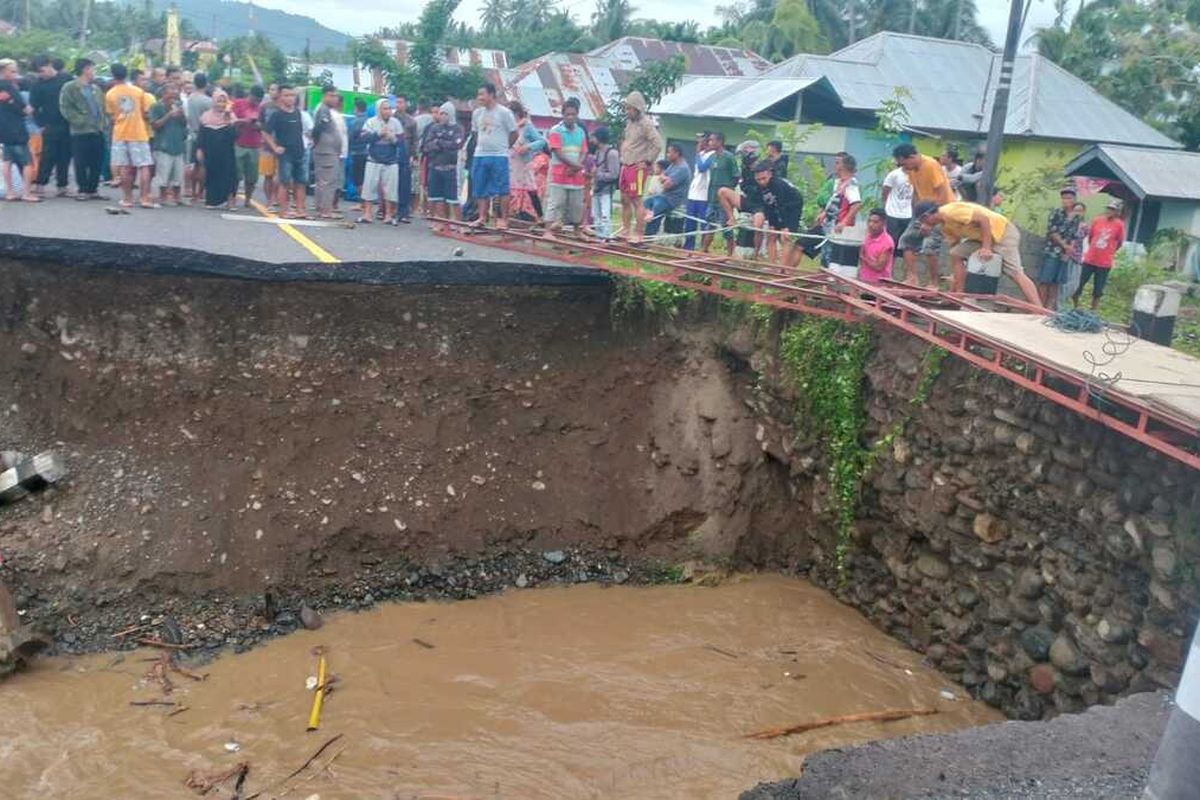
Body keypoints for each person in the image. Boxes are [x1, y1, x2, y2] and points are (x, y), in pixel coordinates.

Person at [912, 199, 1041, 306]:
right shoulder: (945, 226)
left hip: (1002, 232)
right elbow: (955, 247)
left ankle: (1039, 308)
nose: (923, 225)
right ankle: (959, 294)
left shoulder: (951, 212)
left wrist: (986, 247)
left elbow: (983, 219)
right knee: (955, 253)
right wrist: (954, 280)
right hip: (981, 237)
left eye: (923, 222)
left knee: (1015, 273)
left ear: (926, 216)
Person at [893, 143, 954, 288]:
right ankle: (912, 278)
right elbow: (915, 192)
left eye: (904, 163)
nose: (904, 168)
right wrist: (916, 214)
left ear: (912, 157)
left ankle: (934, 283)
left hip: (939, 211)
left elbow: (942, 194)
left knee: (929, 246)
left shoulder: (931, 165)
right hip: (922, 211)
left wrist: (930, 220)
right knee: (906, 241)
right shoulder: (911, 170)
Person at [104, 62, 156, 209]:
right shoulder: (138, 92)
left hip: (120, 133)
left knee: (125, 167)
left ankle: (127, 199)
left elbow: (111, 115)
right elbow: (145, 112)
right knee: (144, 166)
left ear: (113, 75)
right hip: (138, 132)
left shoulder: (110, 94)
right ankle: (144, 198)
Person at [469, 82, 517, 229]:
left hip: (499, 155)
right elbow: (475, 133)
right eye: (478, 94)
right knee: (480, 187)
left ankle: (503, 219)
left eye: (482, 94)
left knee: (502, 188)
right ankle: (482, 217)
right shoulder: (477, 113)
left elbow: (514, 133)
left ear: (491, 95)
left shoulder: (504, 112)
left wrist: (505, 147)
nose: (479, 97)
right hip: (480, 155)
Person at [617, 90, 663, 239]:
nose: (627, 112)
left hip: (637, 167)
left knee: (636, 200)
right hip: (625, 165)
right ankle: (625, 230)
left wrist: (648, 160)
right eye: (626, 108)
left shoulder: (646, 124)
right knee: (624, 199)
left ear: (637, 108)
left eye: (629, 108)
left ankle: (639, 233)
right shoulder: (629, 123)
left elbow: (657, 143)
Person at [59, 58, 106, 201]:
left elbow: (101, 108)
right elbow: (65, 107)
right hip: (80, 131)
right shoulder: (70, 87)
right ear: (85, 69)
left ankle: (93, 189)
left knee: (97, 161)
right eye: (92, 68)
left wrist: (102, 123)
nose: (94, 72)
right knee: (81, 161)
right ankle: (83, 189)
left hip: (97, 130)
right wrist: (80, 120)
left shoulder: (95, 88)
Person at [542, 97, 588, 239]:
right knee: (556, 202)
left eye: (573, 114)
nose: (570, 117)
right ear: (562, 114)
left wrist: (576, 167)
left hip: (575, 175)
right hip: (559, 173)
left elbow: (584, 151)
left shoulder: (580, 131)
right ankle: (547, 231)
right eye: (567, 114)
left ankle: (577, 231)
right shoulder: (556, 131)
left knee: (577, 204)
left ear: (577, 115)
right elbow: (558, 152)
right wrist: (576, 165)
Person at [1073, 198, 1127, 311]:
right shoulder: (1097, 220)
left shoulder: (1119, 225)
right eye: (1109, 209)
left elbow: (1119, 242)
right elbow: (1091, 237)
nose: (1110, 211)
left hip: (1104, 262)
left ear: (1117, 212)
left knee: (1098, 289)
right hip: (1090, 259)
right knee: (1080, 283)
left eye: (1113, 210)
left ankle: (1093, 310)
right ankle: (1075, 306)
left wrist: (1109, 251)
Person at [262, 85, 307, 219]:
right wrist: (275, 147)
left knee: (300, 182)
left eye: (292, 95)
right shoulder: (277, 115)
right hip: (285, 153)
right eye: (286, 95)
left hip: (299, 151)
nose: (290, 98)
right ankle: (283, 210)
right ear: (280, 97)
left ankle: (300, 210)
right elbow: (265, 132)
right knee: (284, 182)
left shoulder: (298, 113)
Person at [29, 56, 71, 197]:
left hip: (68, 123)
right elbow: (33, 108)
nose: (41, 74)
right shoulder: (38, 85)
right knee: (47, 156)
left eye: (42, 70)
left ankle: (62, 186)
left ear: (49, 65)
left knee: (65, 156)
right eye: (38, 72)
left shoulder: (66, 79)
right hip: (50, 125)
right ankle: (40, 184)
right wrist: (41, 124)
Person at [358, 98, 404, 225]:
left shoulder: (396, 123)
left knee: (390, 189)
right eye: (385, 108)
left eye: (389, 108)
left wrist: (392, 138)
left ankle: (388, 215)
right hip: (374, 159)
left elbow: (401, 142)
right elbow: (364, 138)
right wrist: (378, 134)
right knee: (369, 187)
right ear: (379, 110)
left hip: (391, 161)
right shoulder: (370, 122)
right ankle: (367, 214)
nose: (388, 111)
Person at [751, 160, 804, 267]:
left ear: (770, 174)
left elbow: (782, 205)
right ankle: (772, 265)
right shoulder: (759, 187)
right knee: (771, 235)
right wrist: (771, 223)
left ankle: (781, 267)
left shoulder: (778, 184)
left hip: (792, 208)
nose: (761, 182)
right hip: (774, 207)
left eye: (764, 178)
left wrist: (785, 226)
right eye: (758, 179)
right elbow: (767, 205)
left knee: (785, 237)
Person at [422, 101, 463, 231]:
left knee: (453, 198)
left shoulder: (457, 128)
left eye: (445, 113)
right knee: (437, 197)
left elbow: (456, 145)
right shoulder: (434, 128)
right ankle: (442, 222)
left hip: (451, 168)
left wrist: (439, 142)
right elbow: (427, 146)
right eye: (441, 113)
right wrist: (442, 143)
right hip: (435, 167)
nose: (442, 116)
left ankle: (459, 223)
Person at [636, 142, 689, 242]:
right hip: (663, 196)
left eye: (669, 152)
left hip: (673, 199)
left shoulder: (683, 169)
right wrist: (665, 179)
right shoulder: (672, 165)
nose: (667, 155)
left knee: (656, 207)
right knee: (646, 203)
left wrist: (665, 179)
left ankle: (648, 237)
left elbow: (667, 185)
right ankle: (646, 237)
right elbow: (661, 178)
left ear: (677, 153)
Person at [0, 59, 36, 202]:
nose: (16, 74)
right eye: (13, 71)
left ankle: (10, 191)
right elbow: (21, 108)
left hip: (3, 129)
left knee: (7, 161)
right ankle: (26, 192)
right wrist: (28, 110)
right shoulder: (10, 87)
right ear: (4, 71)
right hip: (17, 129)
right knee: (27, 162)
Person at [815, 153, 861, 265]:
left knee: (833, 257)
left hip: (839, 225)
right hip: (830, 224)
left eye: (837, 163)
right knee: (826, 255)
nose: (835, 166)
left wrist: (844, 222)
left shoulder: (851, 183)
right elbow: (835, 201)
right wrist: (825, 213)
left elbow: (856, 204)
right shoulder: (839, 183)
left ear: (844, 166)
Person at [1038, 187, 1080, 309]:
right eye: (1064, 198)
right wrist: (1065, 246)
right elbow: (1053, 232)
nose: (1066, 200)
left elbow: (1074, 235)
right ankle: (1039, 307)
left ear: (1074, 200)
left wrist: (1069, 250)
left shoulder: (1076, 217)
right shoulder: (1056, 212)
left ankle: (1050, 308)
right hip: (1052, 251)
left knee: (1057, 282)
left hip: (1064, 254)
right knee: (1045, 280)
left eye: (1069, 198)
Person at [196, 89, 238, 210]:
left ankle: (230, 201)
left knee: (229, 176)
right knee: (212, 175)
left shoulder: (231, 117)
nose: (221, 104)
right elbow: (201, 136)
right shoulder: (206, 116)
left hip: (227, 153)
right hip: (210, 152)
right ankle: (212, 200)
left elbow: (235, 136)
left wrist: (228, 119)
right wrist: (199, 150)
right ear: (213, 102)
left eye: (224, 102)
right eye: (218, 101)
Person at [149, 83, 188, 205]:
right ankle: (163, 197)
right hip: (163, 145)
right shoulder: (156, 106)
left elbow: (184, 124)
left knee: (178, 174)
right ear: (164, 93)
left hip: (178, 144)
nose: (174, 93)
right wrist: (169, 115)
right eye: (171, 90)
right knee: (163, 174)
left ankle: (177, 197)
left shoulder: (179, 105)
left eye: (176, 90)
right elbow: (155, 125)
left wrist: (182, 115)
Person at [508, 101, 546, 223]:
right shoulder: (507, 126)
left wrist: (528, 147)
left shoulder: (527, 126)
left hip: (523, 162)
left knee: (531, 189)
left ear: (517, 113)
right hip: (509, 161)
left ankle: (540, 217)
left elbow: (541, 141)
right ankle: (502, 216)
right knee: (505, 190)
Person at [311, 85, 345, 220]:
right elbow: (318, 128)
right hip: (326, 150)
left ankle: (321, 207)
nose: (335, 99)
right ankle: (325, 210)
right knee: (328, 181)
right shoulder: (323, 110)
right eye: (332, 95)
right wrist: (317, 142)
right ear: (325, 96)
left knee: (324, 180)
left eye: (336, 96)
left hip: (328, 150)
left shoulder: (325, 109)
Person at [701, 132, 738, 254]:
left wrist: (728, 192)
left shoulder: (729, 157)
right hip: (712, 197)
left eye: (712, 140)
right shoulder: (711, 157)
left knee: (726, 228)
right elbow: (701, 168)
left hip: (724, 201)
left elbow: (736, 176)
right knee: (709, 226)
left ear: (720, 142)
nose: (710, 142)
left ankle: (730, 254)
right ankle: (704, 251)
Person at [231, 84, 264, 208]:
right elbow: (231, 121)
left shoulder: (261, 108)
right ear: (250, 95)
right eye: (255, 99)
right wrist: (244, 121)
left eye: (259, 100)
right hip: (239, 143)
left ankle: (248, 199)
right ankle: (232, 198)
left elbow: (265, 126)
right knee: (236, 174)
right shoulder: (238, 104)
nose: (256, 102)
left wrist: (258, 125)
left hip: (254, 145)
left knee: (252, 176)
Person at [587, 126, 619, 240]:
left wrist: (597, 174)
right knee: (596, 214)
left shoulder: (612, 153)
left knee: (605, 215)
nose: (592, 140)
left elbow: (614, 174)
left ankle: (606, 236)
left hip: (606, 189)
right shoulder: (598, 152)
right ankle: (599, 236)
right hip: (597, 187)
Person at [185, 72, 212, 203]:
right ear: (206, 84)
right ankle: (200, 192)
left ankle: (190, 189)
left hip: (191, 133)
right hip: (205, 134)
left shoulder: (190, 99)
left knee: (191, 164)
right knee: (202, 165)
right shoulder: (208, 101)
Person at [684, 134, 712, 251]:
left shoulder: (713, 155)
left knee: (704, 223)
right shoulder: (701, 155)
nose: (699, 144)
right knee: (690, 222)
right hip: (693, 193)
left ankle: (703, 247)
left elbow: (702, 168)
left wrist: (697, 154)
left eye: (701, 141)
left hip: (704, 195)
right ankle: (688, 246)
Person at [393, 95, 418, 223]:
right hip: (391, 154)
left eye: (401, 102)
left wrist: (414, 156)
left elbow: (414, 140)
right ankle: (387, 210)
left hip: (405, 154)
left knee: (405, 184)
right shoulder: (391, 118)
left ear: (406, 104)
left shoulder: (411, 121)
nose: (398, 105)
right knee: (390, 184)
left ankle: (403, 212)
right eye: (397, 102)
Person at [881, 164, 912, 258]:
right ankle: (889, 264)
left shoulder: (916, 174)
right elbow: (885, 192)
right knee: (891, 243)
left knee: (905, 245)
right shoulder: (894, 175)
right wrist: (887, 206)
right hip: (892, 213)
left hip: (908, 214)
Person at [858, 208, 896, 284]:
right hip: (863, 280)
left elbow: (879, 267)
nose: (871, 224)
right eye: (869, 221)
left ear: (883, 223)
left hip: (879, 284)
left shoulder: (887, 242)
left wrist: (862, 257)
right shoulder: (867, 236)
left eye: (875, 222)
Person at [258, 83, 280, 208]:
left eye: (275, 89)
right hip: (266, 145)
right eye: (270, 89)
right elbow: (260, 124)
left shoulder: (283, 107)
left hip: (281, 145)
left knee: (280, 176)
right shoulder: (264, 107)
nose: (272, 92)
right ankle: (269, 200)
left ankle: (276, 198)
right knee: (268, 175)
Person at [348, 98, 369, 200]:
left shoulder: (355, 122)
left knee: (358, 179)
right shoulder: (369, 120)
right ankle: (365, 201)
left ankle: (363, 202)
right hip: (368, 153)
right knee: (365, 178)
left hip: (357, 152)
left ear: (356, 108)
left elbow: (350, 137)